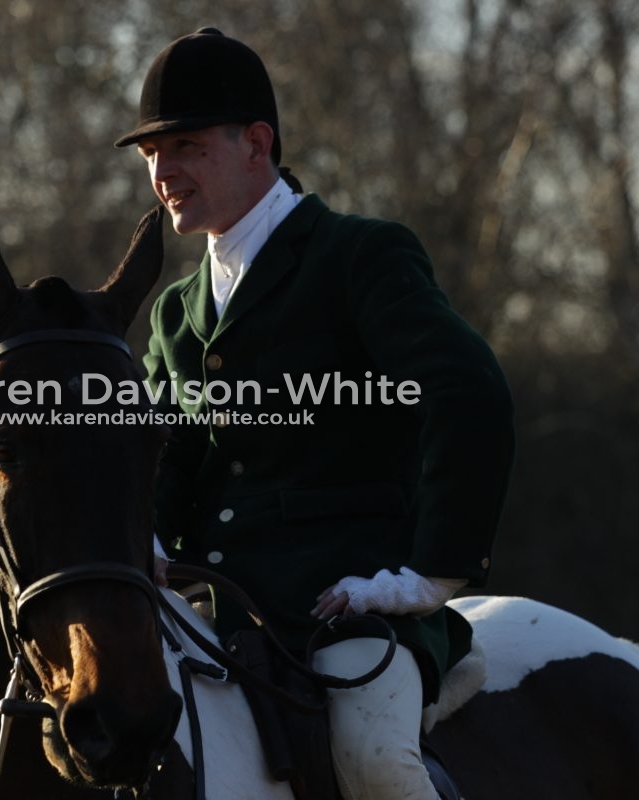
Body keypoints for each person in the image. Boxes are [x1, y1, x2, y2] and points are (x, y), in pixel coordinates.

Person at [115, 28, 515, 800]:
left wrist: (429, 575)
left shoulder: (358, 256)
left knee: (373, 763)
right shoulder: (173, 312)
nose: (163, 173)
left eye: (186, 147)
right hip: (220, 607)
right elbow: (169, 457)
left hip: (351, 606)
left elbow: (470, 394)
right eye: (151, 154)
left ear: (256, 143)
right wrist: (149, 537)